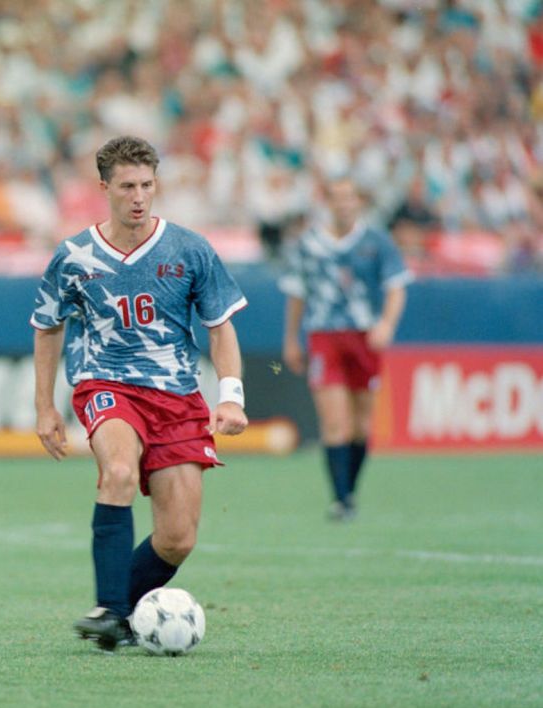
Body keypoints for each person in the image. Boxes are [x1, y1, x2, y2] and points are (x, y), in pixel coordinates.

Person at [31, 136, 249, 652]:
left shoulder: (190, 248)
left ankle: (120, 613)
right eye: (127, 186)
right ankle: (109, 609)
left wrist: (231, 395)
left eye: (147, 185)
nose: (138, 197)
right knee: (120, 472)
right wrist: (44, 407)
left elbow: (220, 327)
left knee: (178, 538)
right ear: (104, 187)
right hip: (104, 383)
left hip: (176, 394)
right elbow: (47, 328)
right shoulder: (74, 255)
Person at [280, 177, 411, 521]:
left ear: (358, 202)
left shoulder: (376, 241)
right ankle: (340, 499)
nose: (344, 205)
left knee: (362, 425)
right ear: (327, 201)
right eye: (337, 198)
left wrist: (386, 325)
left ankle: (349, 491)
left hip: (364, 337)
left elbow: (397, 287)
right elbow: (297, 293)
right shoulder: (309, 244)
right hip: (324, 336)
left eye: (349, 198)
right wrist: (291, 338)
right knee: (335, 422)